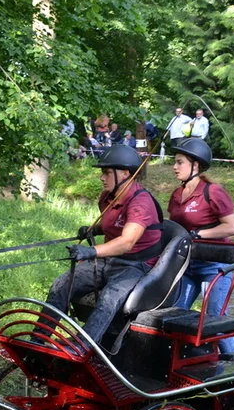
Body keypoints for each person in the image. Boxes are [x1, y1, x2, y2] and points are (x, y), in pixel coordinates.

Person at [46, 145, 163, 343]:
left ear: (125, 173)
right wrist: (94, 230)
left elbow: (127, 242)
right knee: (62, 284)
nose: (102, 177)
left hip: (136, 266)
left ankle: (83, 347)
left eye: (108, 172)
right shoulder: (108, 197)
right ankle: (39, 337)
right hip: (109, 261)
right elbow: (114, 224)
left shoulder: (140, 202)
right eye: (102, 172)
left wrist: (91, 251)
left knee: (108, 299)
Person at [167, 138, 234, 353]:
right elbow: (173, 227)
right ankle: (182, 363)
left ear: (195, 165)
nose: (174, 167)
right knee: (175, 314)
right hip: (187, 266)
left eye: (180, 162)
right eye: (175, 162)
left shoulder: (213, 192)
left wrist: (199, 233)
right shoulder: (176, 194)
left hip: (215, 266)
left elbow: (231, 228)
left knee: (214, 319)